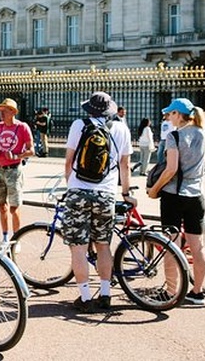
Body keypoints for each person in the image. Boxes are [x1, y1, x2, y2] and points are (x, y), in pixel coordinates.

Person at [63, 91, 133, 312]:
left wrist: (71, 184)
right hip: (106, 193)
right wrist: (125, 193)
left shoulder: (79, 125)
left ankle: (85, 298)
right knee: (103, 245)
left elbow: (69, 161)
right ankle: (105, 294)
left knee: (78, 248)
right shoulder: (121, 128)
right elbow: (125, 166)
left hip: (79, 190)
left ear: (90, 109)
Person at [147, 98, 205, 306]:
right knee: (196, 245)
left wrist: (155, 189)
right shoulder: (202, 132)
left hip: (174, 195)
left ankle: (171, 291)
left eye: (170, 113)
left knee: (170, 244)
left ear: (178, 114)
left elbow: (171, 168)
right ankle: (197, 292)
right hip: (196, 195)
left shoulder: (174, 136)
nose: (168, 117)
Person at [0, 98, 34, 242]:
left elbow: (31, 150)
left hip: (14, 171)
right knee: (1, 206)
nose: (1, 113)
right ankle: (5, 237)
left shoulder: (22, 127)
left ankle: (16, 239)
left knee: (14, 207)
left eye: (5, 110)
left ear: (13, 112)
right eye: (0, 111)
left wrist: (17, 155)